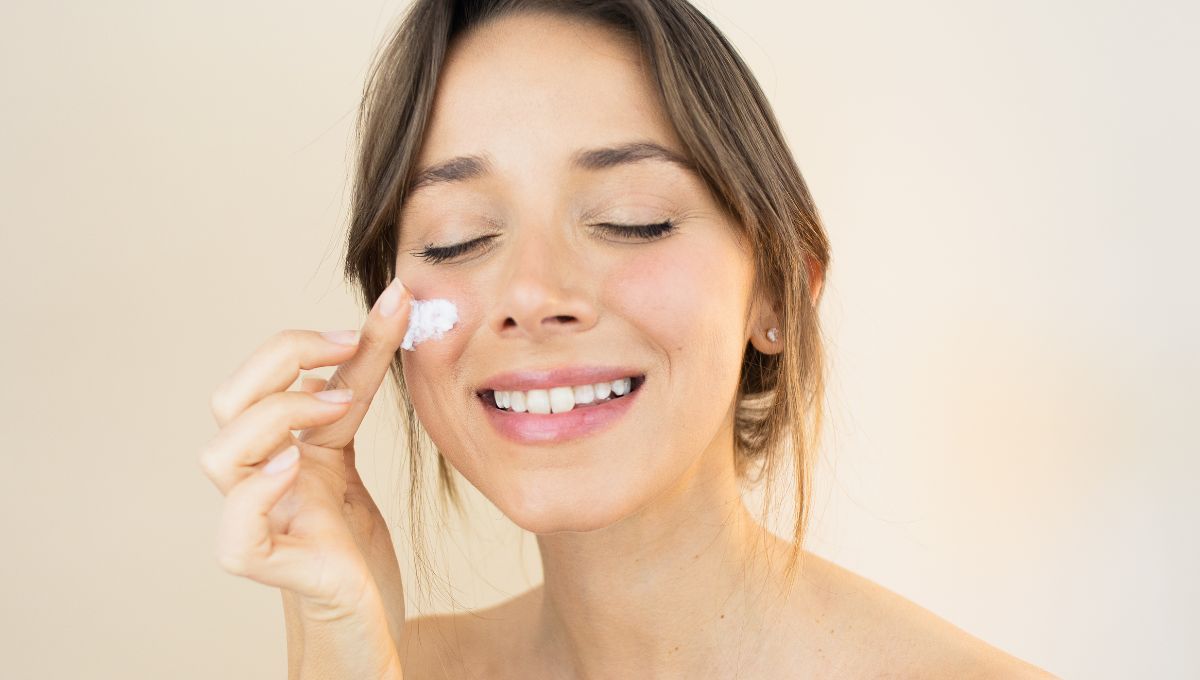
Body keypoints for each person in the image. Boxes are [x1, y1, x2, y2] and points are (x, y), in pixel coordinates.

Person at [202, 1, 1057, 677]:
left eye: (630, 221)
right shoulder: (386, 664)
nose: (532, 295)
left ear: (778, 291)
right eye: (458, 239)